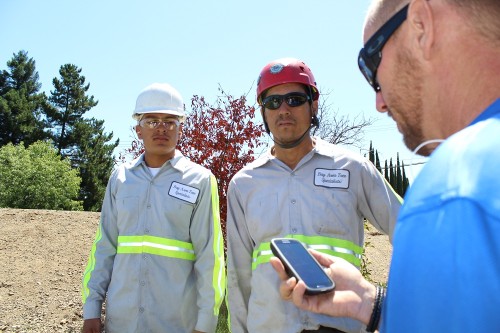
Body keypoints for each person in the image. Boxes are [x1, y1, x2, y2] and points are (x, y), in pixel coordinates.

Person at [272, 0, 500, 332]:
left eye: (370, 65)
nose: (379, 101)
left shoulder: (455, 188)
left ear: (421, 24)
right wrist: (374, 304)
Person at [225, 57, 402, 333]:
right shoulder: (243, 184)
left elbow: (409, 229)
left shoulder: (353, 169)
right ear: (263, 112)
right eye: (273, 102)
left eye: (294, 99)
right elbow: (238, 276)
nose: (283, 109)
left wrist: (393, 308)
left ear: (313, 105)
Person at [81, 83, 225, 333]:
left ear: (181, 128)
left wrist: (206, 323)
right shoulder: (120, 178)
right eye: (152, 121)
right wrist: (91, 309)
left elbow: (209, 257)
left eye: (170, 121)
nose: (161, 128)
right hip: (122, 322)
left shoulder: (200, 180)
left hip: (177, 323)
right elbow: (104, 247)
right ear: (138, 129)